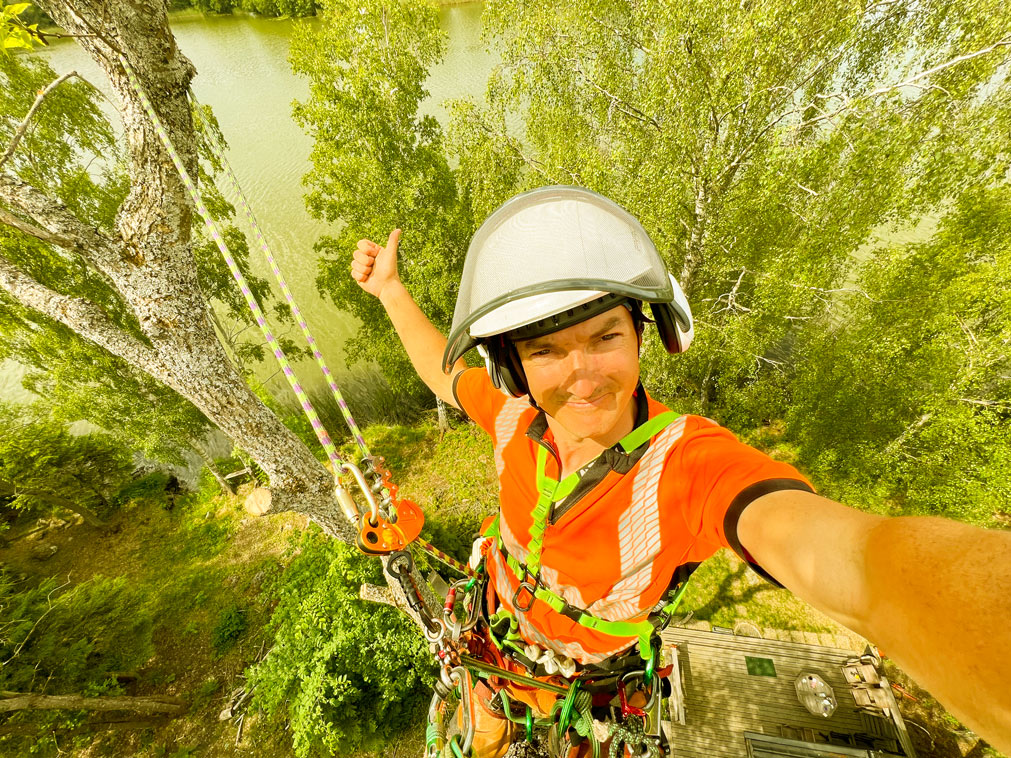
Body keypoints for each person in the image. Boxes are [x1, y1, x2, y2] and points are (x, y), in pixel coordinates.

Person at [351, 186, 1011, 756]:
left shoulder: (686, 465)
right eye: (545, 350)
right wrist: (390, 292)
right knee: (485, 734)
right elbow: (442, 369)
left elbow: (858, 564)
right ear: (512, 367)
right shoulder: (509, 414)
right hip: (495, 628)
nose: (580, 375)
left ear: (643, 335)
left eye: (605, 337)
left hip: (590, 676)